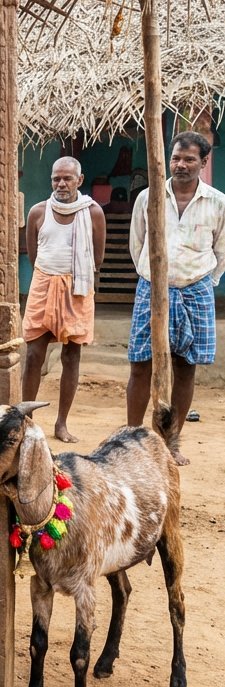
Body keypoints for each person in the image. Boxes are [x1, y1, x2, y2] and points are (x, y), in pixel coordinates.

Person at [127, 130, 225, 465]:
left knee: (186, 366)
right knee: (141, 364)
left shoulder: (218, 202)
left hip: (196, 289)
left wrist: (204, 282)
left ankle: (170, 444)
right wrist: (152, 279)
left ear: (204, 162)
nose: (180, 165)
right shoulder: (149, 197)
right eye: (176, 158)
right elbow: (137, 244)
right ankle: (130, 439)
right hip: (152, 289)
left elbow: (221, 251)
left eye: (189, 159)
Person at [21, 157, 106, 443]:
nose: (61, 184)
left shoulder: (93, 213)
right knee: (33, 356)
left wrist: (72, 278)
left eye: (67, 178)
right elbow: (33, 256)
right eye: (56, 178)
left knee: (72, 357)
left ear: (79, 181)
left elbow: (98, 256)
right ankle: (26, 420)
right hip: (43, 285)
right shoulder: (37, 212)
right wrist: (52, 278)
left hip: (78, 288)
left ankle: (61, 424)